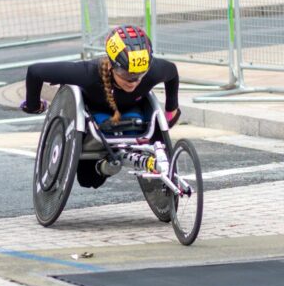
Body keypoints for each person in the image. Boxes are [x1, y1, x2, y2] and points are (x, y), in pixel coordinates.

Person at [22, 25, 181, 189]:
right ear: (112, 66)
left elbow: (173, 73)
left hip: (135, 113)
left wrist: (171, 111)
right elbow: (35, 72)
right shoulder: (88, 73)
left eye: (140, 74)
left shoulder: (154, 71)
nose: (134, 81)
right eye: (127, 75)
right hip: (95, 118)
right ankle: (104, 167)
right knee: (88, 180)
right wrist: (33, 105)